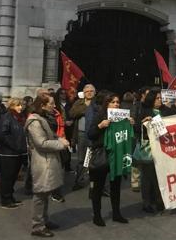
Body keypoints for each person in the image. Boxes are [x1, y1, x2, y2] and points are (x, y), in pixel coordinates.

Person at [25, 93, 71, 237]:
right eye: (51, 103)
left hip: (48, 160)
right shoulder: (34, 121)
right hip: (42, 161)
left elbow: (50, 135)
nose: (54, 106)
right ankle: (37, 225)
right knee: (40, 194)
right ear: (42, 105)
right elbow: (41, 143)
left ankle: (44, 220)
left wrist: (59, 138)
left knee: (46, 192)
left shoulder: (43, 118)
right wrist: (60, 144)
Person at [88, 93, 134, 226]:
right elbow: (90, 134)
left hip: (118, 155)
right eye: (113, 102)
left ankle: (116, 213)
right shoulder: (100, 115)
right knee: (98, 187)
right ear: (107, 103)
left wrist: (131, 123)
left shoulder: (123, 117)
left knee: (116, 186)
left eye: (117, 102)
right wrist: (100, 126)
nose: (116, 104)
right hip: (102, 154)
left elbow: (131, 133)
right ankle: (97, 215)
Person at [0, 98, 28, 208]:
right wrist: (15, 146)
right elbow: (3, 134)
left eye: (21, 105)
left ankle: (10, 197)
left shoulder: (20, 117)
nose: (20, 107)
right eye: (18, 105)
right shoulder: (7, 117)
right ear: (11, 106)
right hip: (8, 153)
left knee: (13, 176)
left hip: (18, 152)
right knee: (7, 177)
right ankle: (5, 199)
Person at [138, 90, 165, 213]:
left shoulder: (166, 111)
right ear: (151, 100)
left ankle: (159, 201)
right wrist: (143, 123)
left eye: (160, 98)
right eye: (157, 98)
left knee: (160, 176)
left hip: (163, 148)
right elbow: (137, 130)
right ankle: (147, 202)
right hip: (149, 149)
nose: (160, 100)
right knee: (148, 177)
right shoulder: (145, 112)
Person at [69, 84, 96, 190]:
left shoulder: (98, 103)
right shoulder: (78, 102)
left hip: (94, 134)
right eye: (87, 91)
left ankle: (94, 184)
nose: (89, 93)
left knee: (95, 160)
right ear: (83, 93)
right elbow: (72, 113)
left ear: (95, 92)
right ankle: (79, 181)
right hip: (81, 134)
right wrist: (86, 110)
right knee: (81, 159)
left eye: (91, 91)